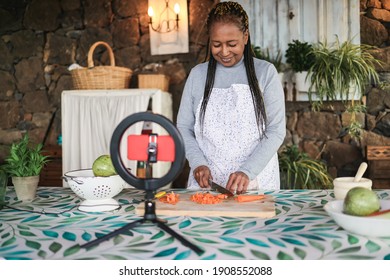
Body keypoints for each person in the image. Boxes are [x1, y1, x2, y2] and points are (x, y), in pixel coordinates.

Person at [176, 1, 286, 194]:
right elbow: (184, 127)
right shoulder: (197, 75)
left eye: (232, 44)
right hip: (206, 185)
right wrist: (198, 163)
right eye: (217, 44)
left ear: (245, 37)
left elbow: (276, 130)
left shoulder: (265, 73)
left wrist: (247, 171)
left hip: (254, 182)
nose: (224, 52)